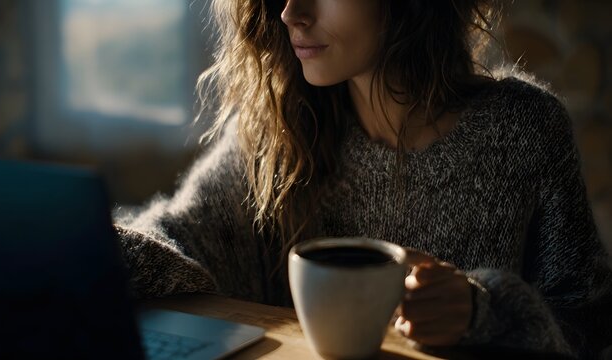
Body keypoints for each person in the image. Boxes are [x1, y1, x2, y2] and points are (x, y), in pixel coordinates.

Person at [114, 0, 612, 358]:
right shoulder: (282, 130)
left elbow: (590, 326)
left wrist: (486, 312)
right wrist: (73, 244)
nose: (291, 12)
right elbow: (177, 239)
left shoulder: (525, 130)